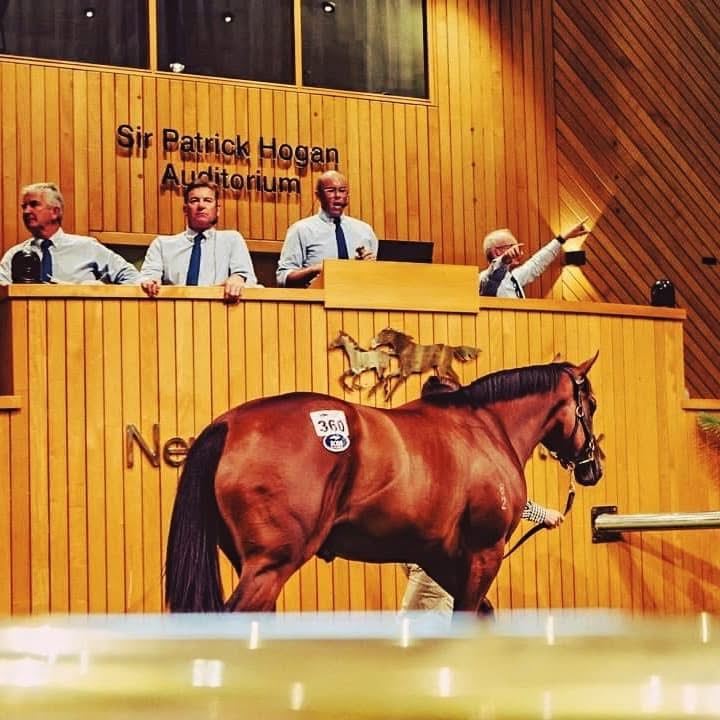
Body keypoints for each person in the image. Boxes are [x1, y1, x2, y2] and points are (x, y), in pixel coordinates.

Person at [400, 374, 564, 615]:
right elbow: (492, 499)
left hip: (416, 550)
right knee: (421, 625)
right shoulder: (455, 448)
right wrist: (542, 514)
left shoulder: (419, 445)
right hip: (437, 551)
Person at [0, 182, 140, 285]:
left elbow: (131, 276)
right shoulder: (14, 255)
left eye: (34, 204)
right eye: (24, 207)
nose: (26, 211)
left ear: (55, 212)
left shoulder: (87, 247)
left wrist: (98, 291)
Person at [140, 180, 257, 302]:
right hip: (173, 310)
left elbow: (249, 281)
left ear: (217, 210)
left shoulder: (232, 240)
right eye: (194, 200)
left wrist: (238, 279)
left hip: (220, 310)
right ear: (185, 209)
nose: (201, 206)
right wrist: (150, 282)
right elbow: (147, 277)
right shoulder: (162, 245)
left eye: (208, 200)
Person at [276, 170, 378, 288]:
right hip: (317, 298)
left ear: (347, 196)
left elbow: (376, 279)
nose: (337, 195)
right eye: (331, 190)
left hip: (358, 296)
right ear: (318, 195)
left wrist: (370, 268)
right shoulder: (301, 230)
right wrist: (314, 270)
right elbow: (282, 278)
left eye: (342, 191)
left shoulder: (365, 231)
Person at [479, 220, 589, 297]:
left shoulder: (514, 277)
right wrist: (504, 260)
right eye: (512, 247)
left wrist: (563, 238)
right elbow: (493, 275)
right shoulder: (482, 278)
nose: (520, 252)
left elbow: (537, 262)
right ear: (497, 251)